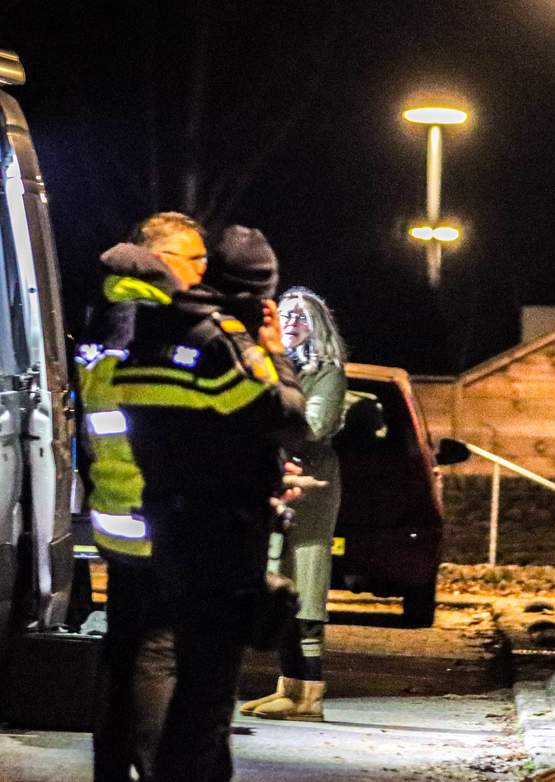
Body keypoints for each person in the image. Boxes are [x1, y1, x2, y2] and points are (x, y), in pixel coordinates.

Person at [86, 214, 307, 781]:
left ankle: (130, 769)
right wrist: (273, 355)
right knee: (185, 669)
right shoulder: (182, 330)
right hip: (172, 513)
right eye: (191, 261)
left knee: (134, 651)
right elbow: (280, 416)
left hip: (142, 505)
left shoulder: (125, 318)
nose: (199, 273)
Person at [240, 286, 348, 723]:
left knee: (305, 583)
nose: (291, 323)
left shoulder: (326, 370)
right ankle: (287, 686)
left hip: (309, 485)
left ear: (317, 326)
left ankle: (310, 695)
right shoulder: (269, 365)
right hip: (272, 479)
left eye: (301, 317)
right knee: (277, 582)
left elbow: (317, 424)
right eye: (285, 315)